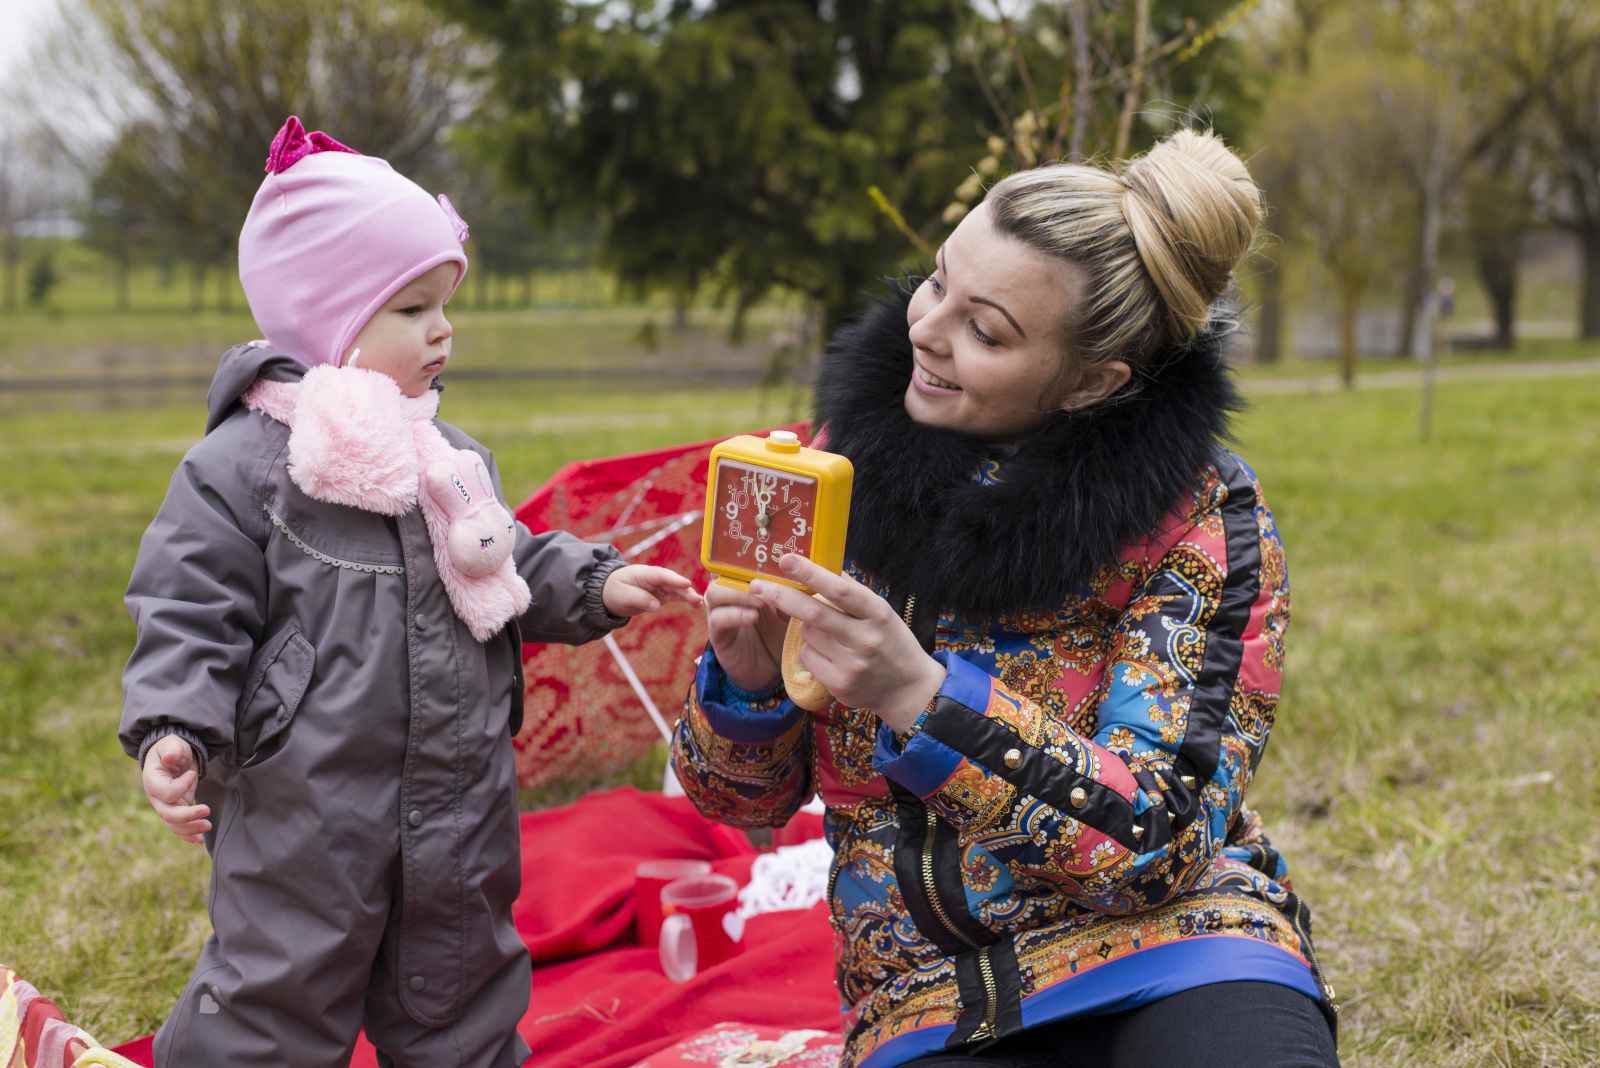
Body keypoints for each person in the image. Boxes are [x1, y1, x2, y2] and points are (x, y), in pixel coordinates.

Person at [672, 129, 1339, 1068]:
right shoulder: (830, 473)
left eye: (986, 332)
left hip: (1184, 950)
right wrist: (746, 687)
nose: (926, 330)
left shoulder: (1201, 514)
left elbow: (1157, 840)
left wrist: (921, 699)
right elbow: (739, 803)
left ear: (1091, 383)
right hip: (923, 1002)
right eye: (937, 282)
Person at [119, 116, 700, 1068]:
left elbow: (494, 560)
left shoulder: (449, 457)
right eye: (410, 308)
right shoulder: (245, 469)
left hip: (459, 805)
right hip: (304, 817)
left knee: (461, 998)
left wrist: (589, 579)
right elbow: (187, 607)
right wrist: (176, 725)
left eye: (445, 302)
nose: (444, 329)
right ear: (326, 318)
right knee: (277, 1000)